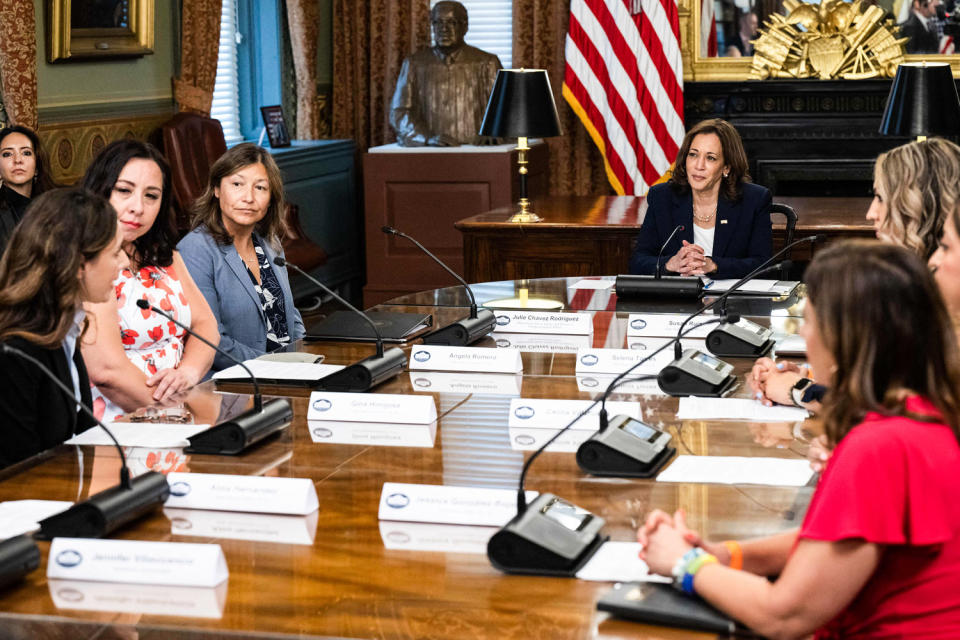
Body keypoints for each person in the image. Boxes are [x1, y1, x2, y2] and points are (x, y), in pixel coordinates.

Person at [639, 241, 960, 638]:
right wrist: (726, 556)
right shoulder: (920, 411)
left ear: (843, 338)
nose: (803, 336)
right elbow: (830, 545)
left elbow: (785, 616)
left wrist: (683, 564)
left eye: (807, 321)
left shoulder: (879, 446)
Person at [751, 138, 960, 411]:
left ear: (918, 206)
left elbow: (888, 409)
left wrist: (797, 390)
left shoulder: (940, 305)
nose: (871, 213)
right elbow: (883, 385)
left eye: (881, 198)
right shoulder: (910, 288)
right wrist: (817, 375)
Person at [80, 139, 218, 421]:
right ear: (99, 191)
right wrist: (180, 414)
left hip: (181, 406)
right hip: (121, 418)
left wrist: (187, 373)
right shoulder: (86, 262)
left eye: (151, 196)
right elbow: (107, 372)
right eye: (124, 191)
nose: (138, 207)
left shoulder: (162, 253)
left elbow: (206, 325)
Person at [0, 188, 127, 468]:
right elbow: (18, 475)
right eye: (116, 253)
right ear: (80, 264)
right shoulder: (14, 352)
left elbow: (82, 433)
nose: (124, 263)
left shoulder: (62, 327)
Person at [177, 142, 305, 371]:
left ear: (271, 198)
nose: (249, 197)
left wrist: (304, 353)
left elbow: (290, 314)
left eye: (260, 188)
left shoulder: (269, 242)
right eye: (237, 184)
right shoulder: (195, 250)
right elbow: (212, 341)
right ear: (216, 189)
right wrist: (274, 368)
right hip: (233, 384)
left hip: (286, 374)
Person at [628, 118, 772, 279]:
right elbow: (638, 262)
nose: (699, 165)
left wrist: (714, 265)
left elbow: (764, 265)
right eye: (693, 155)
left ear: (726, 167)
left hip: (730, 300)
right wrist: (670, 264)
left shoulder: (754, 200)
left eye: (710, 158)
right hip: (677, 299)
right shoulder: (662, 197)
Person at [389, 1, 502, 146]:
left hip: (478, 151)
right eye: (438, 22)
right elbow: (399, 111)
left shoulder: (488, 63)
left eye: (452, 22)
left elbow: (505, 109)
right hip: (431, 153)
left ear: (465, 26)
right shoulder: (413, 64)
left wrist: (493, 133)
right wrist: (426, 138)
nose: (444, 29)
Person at [0, 124, 57, 255]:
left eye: (26, 153)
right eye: (7, 154)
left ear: (37, 166)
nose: (18, 160)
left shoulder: (57, 206)